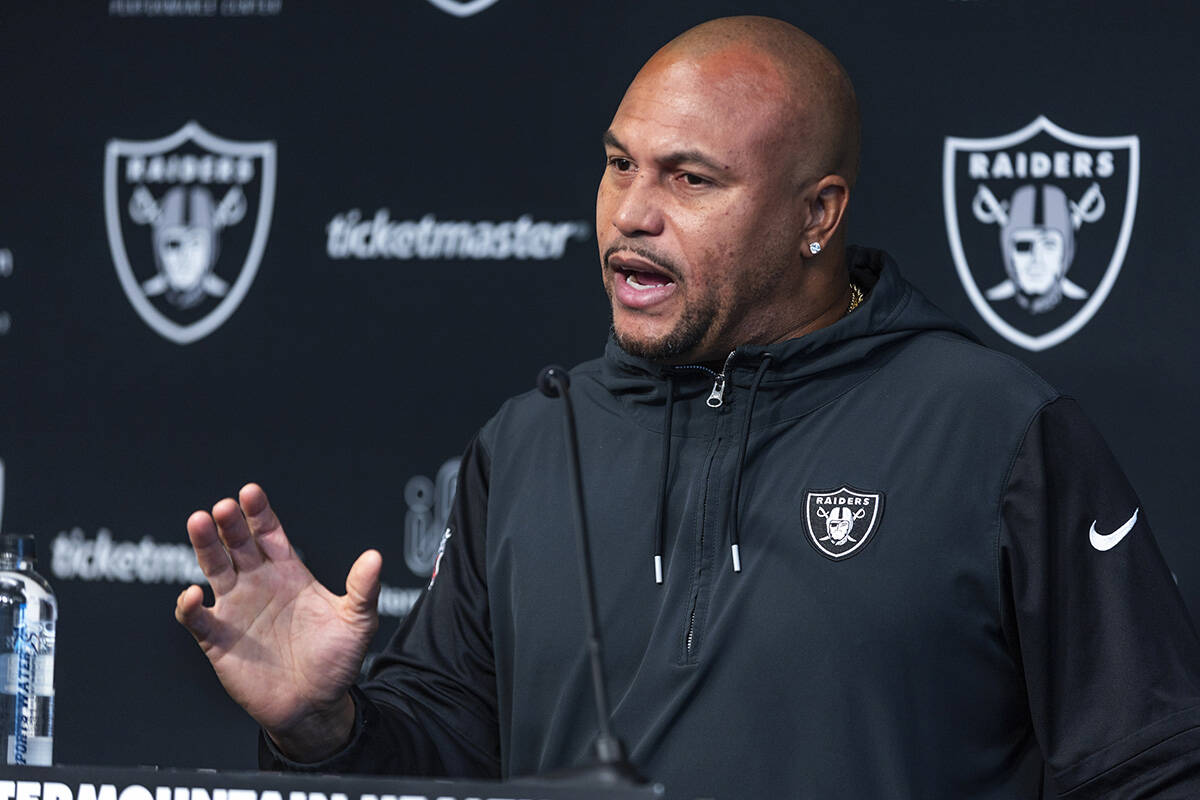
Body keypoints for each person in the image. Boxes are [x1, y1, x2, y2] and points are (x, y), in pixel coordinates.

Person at [175, 16, 1200, 799]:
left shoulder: (992, 428)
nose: (631, 213)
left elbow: (1151, 766)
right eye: (619, 163)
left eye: (690, 178)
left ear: (817, 215)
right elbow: (449, 757)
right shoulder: (537, 437)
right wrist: (324, 724)